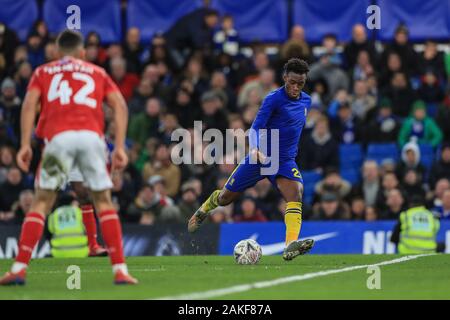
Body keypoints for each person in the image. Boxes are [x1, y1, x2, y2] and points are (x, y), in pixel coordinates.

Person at [0, 30, 137, 285]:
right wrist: (119, 146)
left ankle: (18, 269)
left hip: (58, 140)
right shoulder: (97, 72)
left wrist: (24, 144)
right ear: (83, 53)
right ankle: (120, 271)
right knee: (104, 202)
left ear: (56, 52)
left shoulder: (43, 72)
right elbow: (120, 105)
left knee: (41, 202)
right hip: (91, 138)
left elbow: (29, 104)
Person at [188, 58, 314, 261]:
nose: (296, 87)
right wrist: (255, 149)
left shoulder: (307, 101)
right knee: (225, 199)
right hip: (260, 157)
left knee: (296, 193)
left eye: (300, 83)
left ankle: (290, 244)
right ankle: (206, 208)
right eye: (292, 82)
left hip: (283, 161)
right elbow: (255, 127)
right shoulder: (273, 99)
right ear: (284, 78)